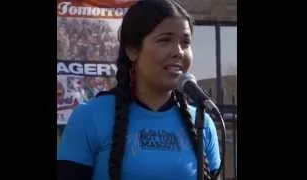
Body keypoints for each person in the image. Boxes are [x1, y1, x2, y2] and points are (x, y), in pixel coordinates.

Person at [57, 0, 221, 180]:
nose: (179, 52)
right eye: (165, 40)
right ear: (132, 51)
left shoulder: (203, 124)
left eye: (185, 42)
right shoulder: (89, 118)